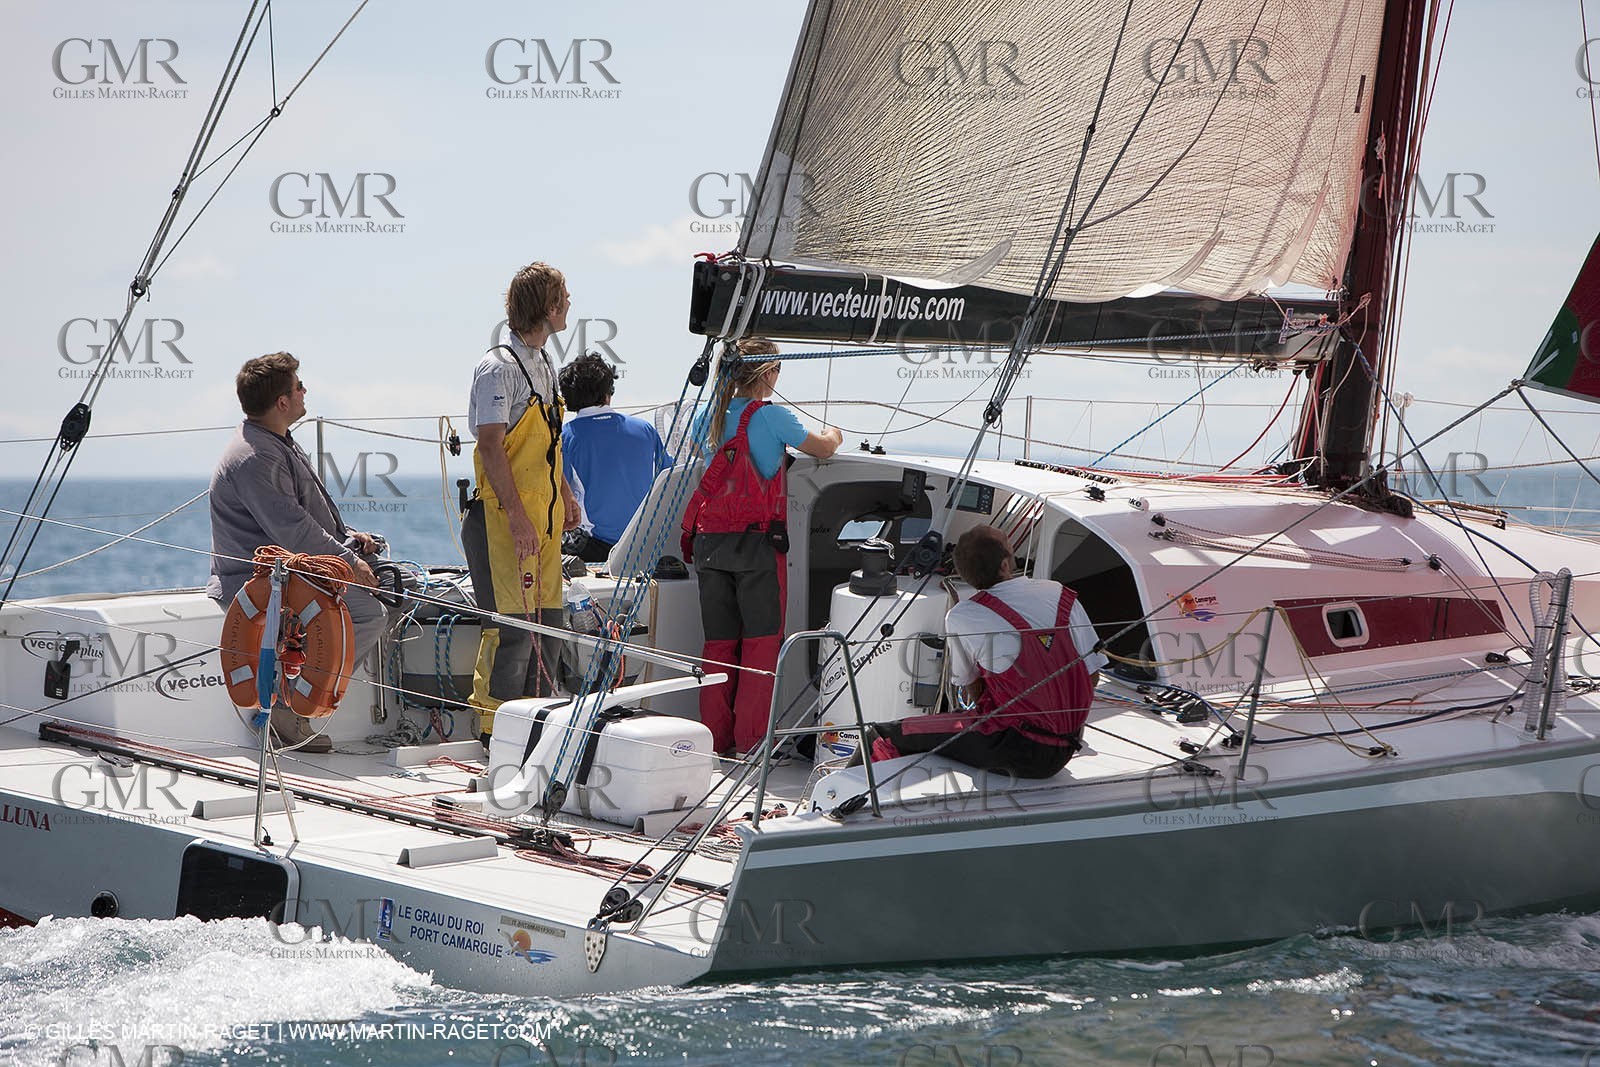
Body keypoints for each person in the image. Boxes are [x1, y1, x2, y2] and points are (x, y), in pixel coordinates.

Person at [206, 352, 387, 753]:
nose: (305, 391)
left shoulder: (272, 442)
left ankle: (294, 702)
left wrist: (351, 540)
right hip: (264, 583)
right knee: (368, 614)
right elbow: (292, 530)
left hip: (293, 569)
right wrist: (350, 562)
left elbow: (302, 517)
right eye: (298, 386)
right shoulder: (256, 456)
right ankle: (290, 713)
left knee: (396, 582)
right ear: (282, 402)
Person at [682, 339, 843, 756]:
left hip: (710, 545)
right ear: (767, 373)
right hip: (757, 548)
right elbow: (822, 447)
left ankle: (715, 743)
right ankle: (751, 744)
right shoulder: (772, 417)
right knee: (760, 647)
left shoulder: (708, 418)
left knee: (718, 646)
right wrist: (834, 433)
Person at [869, 525, 1104, 779]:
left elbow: (971, 686)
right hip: (1067, 743)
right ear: (1005, 566)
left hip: (1013, 747)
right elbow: (1091, 675)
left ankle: (844, 806)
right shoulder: (1060, 594)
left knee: (882, 734)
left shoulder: (963, 615)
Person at [462, 262, 582, 745]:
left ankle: (538, 732)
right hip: (503, 521)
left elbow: (548, 443)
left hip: (544, 522)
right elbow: (491, 446)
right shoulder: (498, 368)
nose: (571, 303)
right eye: (565, 296)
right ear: (549, 308)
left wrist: (569, 497)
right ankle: (495, 735)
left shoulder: (544, 362)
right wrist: (516, 519)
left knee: (548, 626)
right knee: (511, 631)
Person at [558, 352, 673, 563]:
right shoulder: (645, 429)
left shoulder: (564, 438)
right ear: (607, 392)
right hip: (644, 544)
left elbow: (557, 498)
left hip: (595, 548)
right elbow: (669, 479)